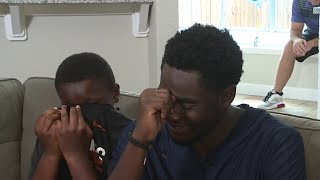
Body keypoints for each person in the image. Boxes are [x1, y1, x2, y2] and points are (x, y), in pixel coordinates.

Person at [108, 24, 307, 180]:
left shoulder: (276, 143)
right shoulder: (143, 133)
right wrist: (140, 140)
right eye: (165, 97)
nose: (171, 113)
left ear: (227, 96)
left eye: (187, 105)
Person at [29, 52, 132, 180]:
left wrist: (75, 156)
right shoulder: (54, 132)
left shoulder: (131, 135)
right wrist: (51, 154)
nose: (81, 114)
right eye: (71, 107)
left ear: (115, 94)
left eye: (93, 104)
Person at [258, 0, 319, 110]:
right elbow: (295, 30)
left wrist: (313, 43)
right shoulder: (299, 2)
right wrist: (296, 40)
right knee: (289, 46)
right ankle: (276, 95)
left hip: (315, 40)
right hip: (313, 33)